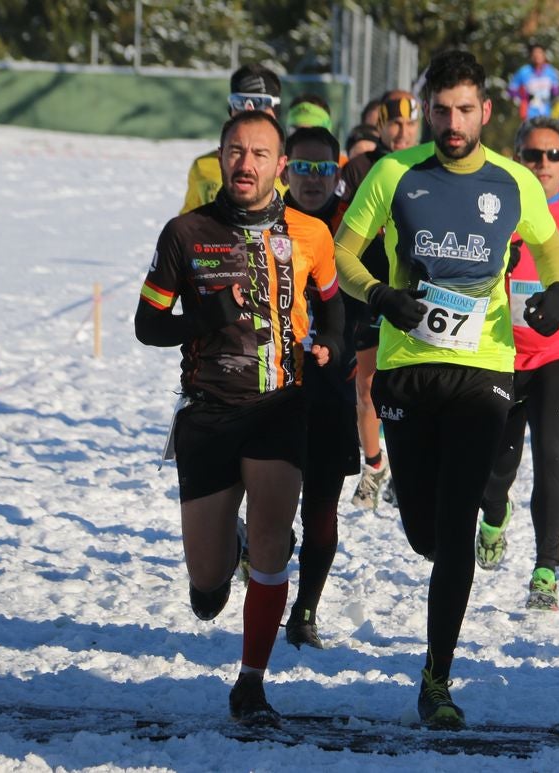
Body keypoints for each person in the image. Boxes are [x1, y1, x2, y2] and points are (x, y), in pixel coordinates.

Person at [333, 49, 559, 728]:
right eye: (441, 110)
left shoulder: (514, 181)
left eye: (466, 110)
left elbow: (551, 247)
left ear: (487, 112)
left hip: (484, 365)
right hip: (407, 364)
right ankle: (436, 538)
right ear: (427, 108)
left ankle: (436, 678)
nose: (453, 122)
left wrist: (557, 291)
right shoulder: (394, 173)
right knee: (423, 532)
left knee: (458, 525)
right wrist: (381, 293)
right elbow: (344, 254)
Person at [135, 111, 343, 727]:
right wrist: (204, 318)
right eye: (235, 151)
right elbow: (148, 326)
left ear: (280, 165)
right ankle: (230, 553)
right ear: (220, 157)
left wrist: (329, 344)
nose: (245, 164)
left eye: (259, 154)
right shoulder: (185, 233)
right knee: (206, 590)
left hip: (280, 405)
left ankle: (251, 682)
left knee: (278, 528)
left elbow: (333, 310)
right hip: (207, 411)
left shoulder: (310, 234)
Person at [476, 116, 559, 611]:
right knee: (497, 469)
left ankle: (546, 570)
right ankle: (493, 515)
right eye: (535, 155)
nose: (547, 165)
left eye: (557, 155)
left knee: (550, 453)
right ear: (517, 159)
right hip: (502, 351)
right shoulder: (493, 208)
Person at [278, 127, 367, 648]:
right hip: (271, 385)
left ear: (337, 171)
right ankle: (260, 547)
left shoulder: (354, 227)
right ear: (286, 168)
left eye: (323, 169)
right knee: (271, 504)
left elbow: (373, 288)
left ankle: (305, 611)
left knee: (322, 508)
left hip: (331, 384)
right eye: (303, 169)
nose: (312, 180)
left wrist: (359, 343)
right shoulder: (265, 220)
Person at [336, 90, 423, 510]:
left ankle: (414, 468)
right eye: (395, 124)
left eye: (410, 124)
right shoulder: (360, 169)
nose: (403, 132)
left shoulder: (432, 165)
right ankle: (374, 466)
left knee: (416, 388)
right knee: (367, 386)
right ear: (381, 125)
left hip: (421, 294)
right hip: (370, 290)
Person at [180, 64, 284, 214]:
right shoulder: (203, 167)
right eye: (240, 102)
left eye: (260, 102)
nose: (249, 109)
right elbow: (187, 226)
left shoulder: (297, 171)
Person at [508, 43, 559, 120]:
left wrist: (553, 94)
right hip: (529, 115)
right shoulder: (524, 71)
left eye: (540, 53)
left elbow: (557, 91)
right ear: (531, 56)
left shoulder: (550, 71)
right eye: (534, 53)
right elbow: (511, 90)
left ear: (544, 55)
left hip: (547, 114)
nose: (537, 56)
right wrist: (523, 97)